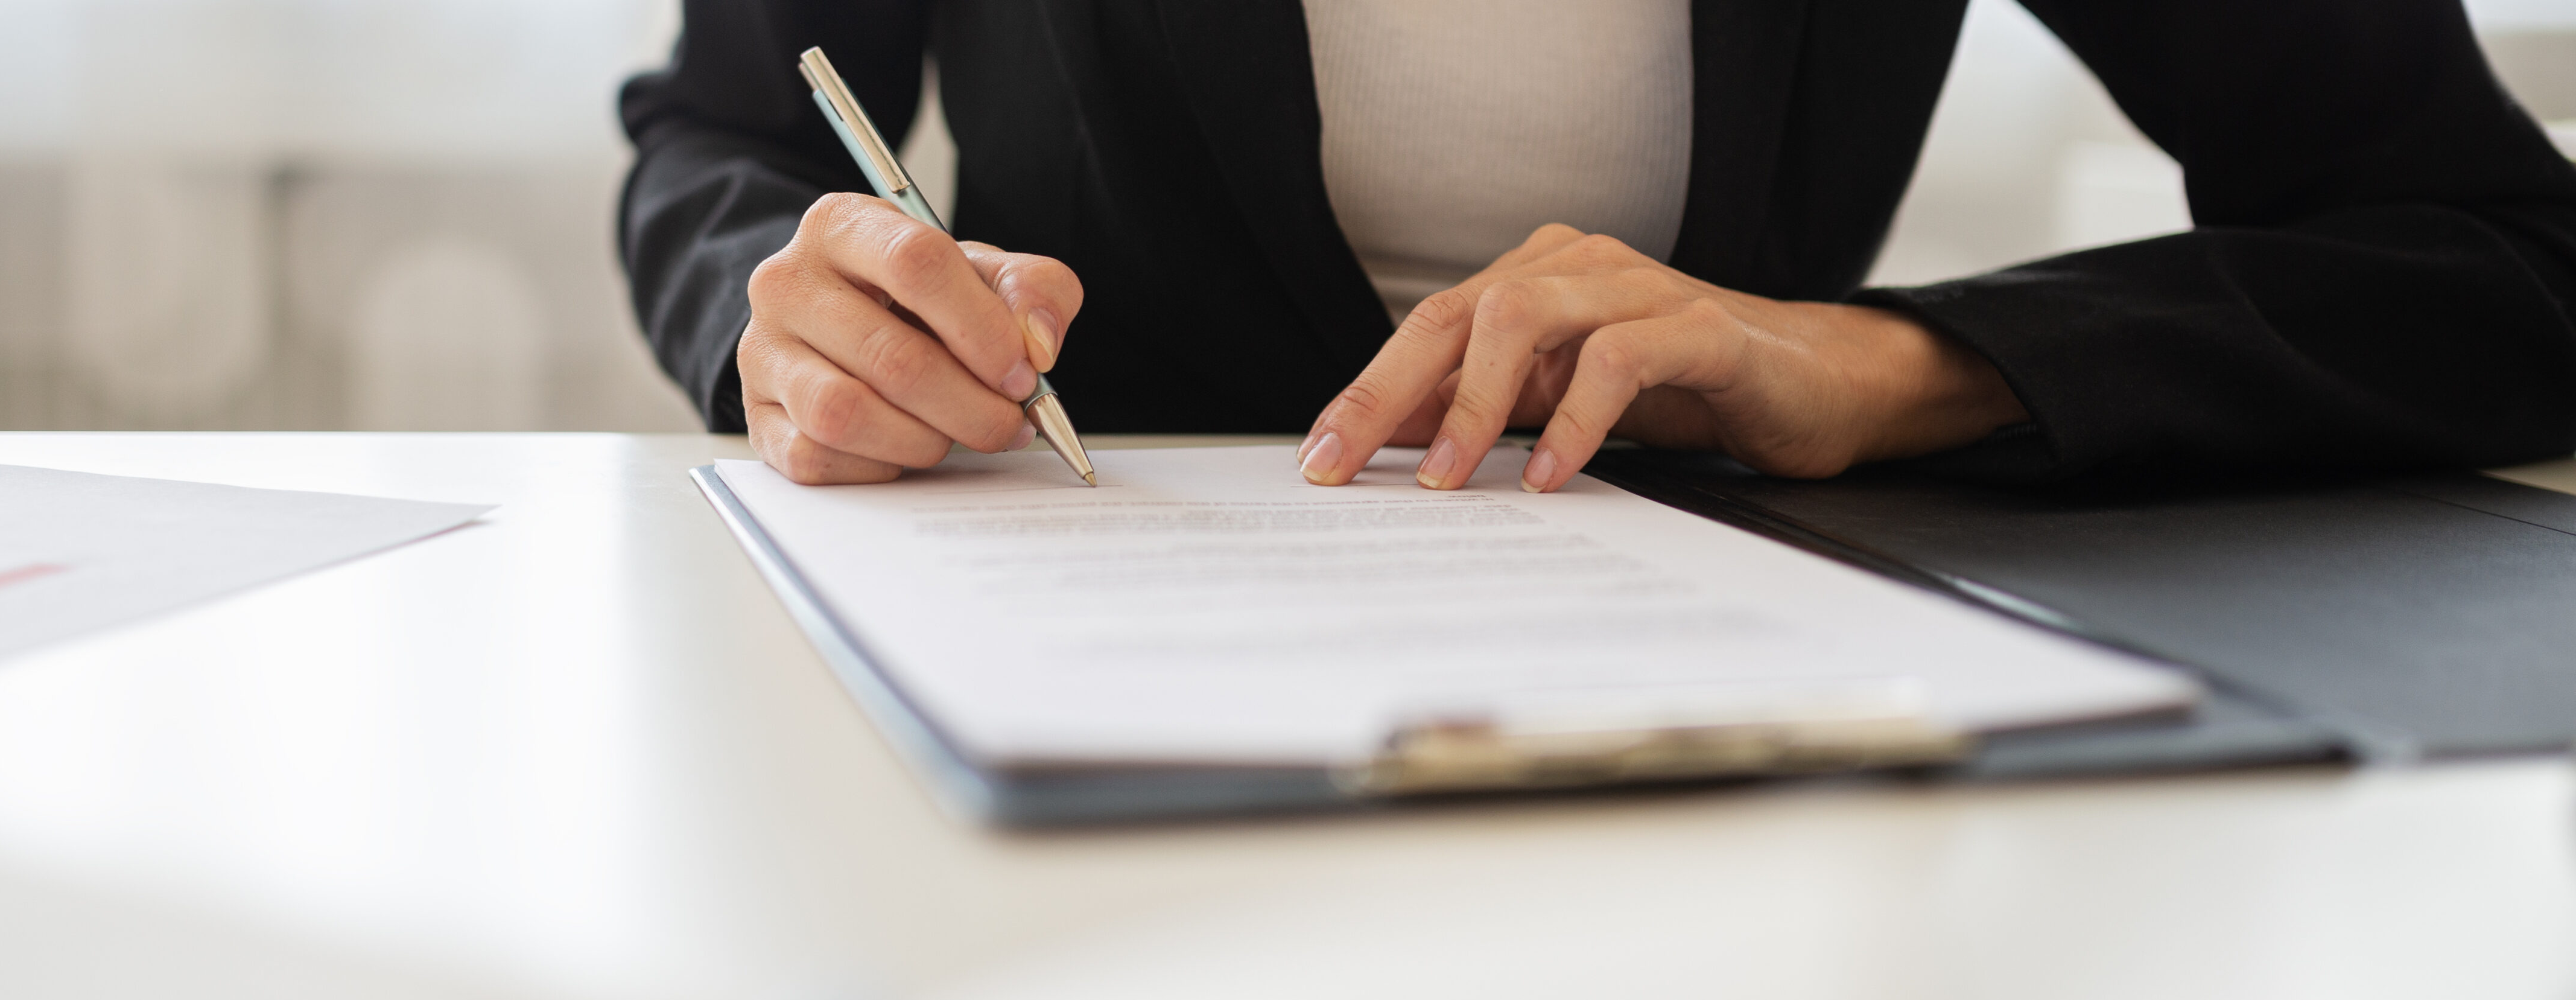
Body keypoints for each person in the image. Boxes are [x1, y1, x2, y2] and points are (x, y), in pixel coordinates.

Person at [618, 1, 2576, 491]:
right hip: (1060, 636)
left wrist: (1891, 362)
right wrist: (783, 320)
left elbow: (2504, 256)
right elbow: (717, 131)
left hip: (1757, 706)